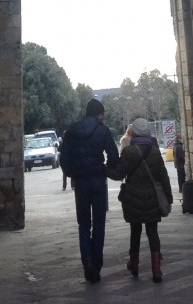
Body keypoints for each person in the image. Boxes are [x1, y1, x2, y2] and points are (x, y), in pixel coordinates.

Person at [59, 98, 119, 284]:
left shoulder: (72, 131)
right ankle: (97, 264)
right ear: (99, 114)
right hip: (98, 181)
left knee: (83, 224)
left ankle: (87, 264)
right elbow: (113, 154)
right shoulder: (102, 130)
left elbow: (63, 158)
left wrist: (72, 173)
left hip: (81, 182)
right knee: (99, 223)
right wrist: (106, 169)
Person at [107, 117, 173, 283]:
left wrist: (103, 169)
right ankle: (156, 270)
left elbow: (119, 174)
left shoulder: (128, 152)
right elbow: (163, 177)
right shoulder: (155, 152)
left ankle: (134, 264)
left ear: (134, 133)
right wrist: (169, 198)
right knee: (153, 232)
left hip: (133, 199)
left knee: (135, 232)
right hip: (152, 199)